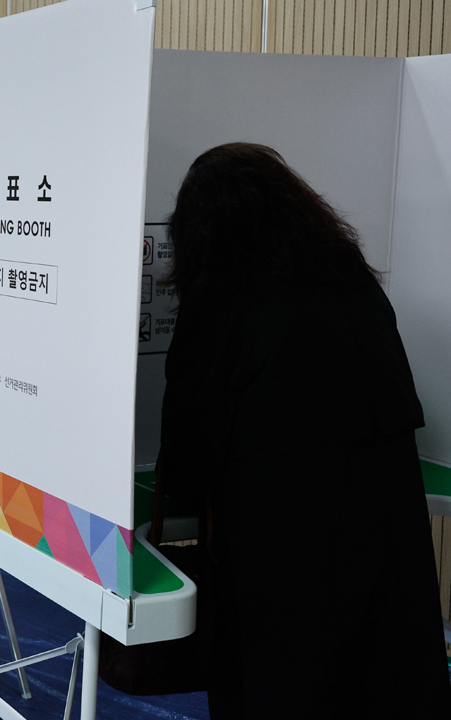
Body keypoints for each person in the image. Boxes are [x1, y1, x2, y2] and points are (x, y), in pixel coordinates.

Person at [158, 143, 451, 718]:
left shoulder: (222, 296)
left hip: (285, 544)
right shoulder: (352, 281)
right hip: (388, 525)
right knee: (382, 683)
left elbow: (191, 442)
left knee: (286, 685)